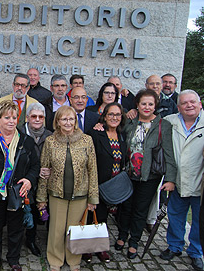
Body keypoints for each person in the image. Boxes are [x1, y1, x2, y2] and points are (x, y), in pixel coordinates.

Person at [0, 100, 39, 271]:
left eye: (14, 117)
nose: (11, 121)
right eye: (7, 117)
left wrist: (29, 180)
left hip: (16, 194)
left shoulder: (26, 141)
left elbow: (35, 166)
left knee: (16, 230)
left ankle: (14, 259)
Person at [114, 89, 176, 259]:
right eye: (143, 104)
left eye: (150, 104)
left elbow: (169, 153)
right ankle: (122, 235)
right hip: (128, 173)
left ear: (155, 105)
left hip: (149, 176)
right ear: (137, 105)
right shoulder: (130, 122)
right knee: (125, 207)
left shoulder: (164, 125)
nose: (147, 107)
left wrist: (170, 179)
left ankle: (134, 241)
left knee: (140, 210)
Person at [36, 105, 98, 271]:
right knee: (56, 230)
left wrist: (93, 198)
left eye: (71, 119)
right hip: (57, 193)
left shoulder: (86, 140)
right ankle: (55, 260)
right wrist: (41, 198)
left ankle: (74, 261)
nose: (68, 122)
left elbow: (93, 170)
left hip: (80, 194)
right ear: (57, 121)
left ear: (76, 121)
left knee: (75, 230)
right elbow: (44, 170)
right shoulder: (50, 141)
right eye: (64, 119)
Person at [162, 90, 204, 271]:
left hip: (200, 181)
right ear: (178, 107)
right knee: (175, 216)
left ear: (200, 104)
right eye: (185, 103)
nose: (189, 105)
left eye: (192, 102)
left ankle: (196, 252)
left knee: (199, 220)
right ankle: (175, 246)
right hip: (178, 180)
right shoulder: (169, 121)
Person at [85, 102, 127, 263]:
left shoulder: (122, 135)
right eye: (111, 114)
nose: (114, 118)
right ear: (104, 116)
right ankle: (88, 248)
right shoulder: (96, 133)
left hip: (114, 185)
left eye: (117, 115)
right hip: (98, 183)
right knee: (93, 215)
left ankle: (99, 247)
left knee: (104, 219)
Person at [19, 102, 52, 257]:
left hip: (44, 183)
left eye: (40, 117)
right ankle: (23, 239)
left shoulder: (50, 135)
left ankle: (33, 239)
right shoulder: (19, 133)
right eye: (34, 116)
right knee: (26, 211)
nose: (37, 119)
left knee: (40, 211)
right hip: (24, 180)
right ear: (27, 118)